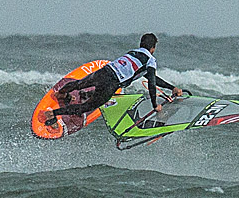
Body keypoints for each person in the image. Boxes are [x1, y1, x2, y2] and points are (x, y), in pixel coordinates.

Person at [43, 33, 183, 127]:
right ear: (153, 48)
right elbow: (151, 83)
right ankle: (52, 114)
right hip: (112, 82)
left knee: (79, 84)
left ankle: (61, 93)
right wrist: (155, 105)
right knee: (87, 107)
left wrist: (172, 88)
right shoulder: (150, 60)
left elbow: (149, 77)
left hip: (105, 70)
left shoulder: (133, 53)